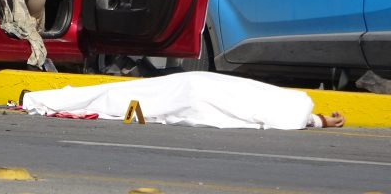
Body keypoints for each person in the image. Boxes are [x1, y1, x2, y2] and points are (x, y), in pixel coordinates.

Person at [22, 71, 346, 130]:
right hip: (192, 92)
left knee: (113, 99)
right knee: (113, 100)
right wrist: (319, 121)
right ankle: (41, 100)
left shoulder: (285, 108)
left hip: (191, 94)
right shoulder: (283, 108)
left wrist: (318, 120)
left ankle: (41, 100)